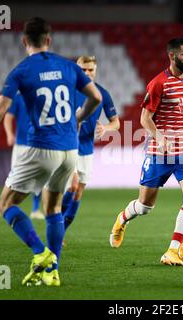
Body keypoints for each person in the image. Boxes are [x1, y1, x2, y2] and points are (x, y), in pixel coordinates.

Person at [0, 17, 102, 286]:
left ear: (24, 41)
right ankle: (53, 272)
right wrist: (78, 117)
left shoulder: (21, 70)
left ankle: (41, 254)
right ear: (49, 40)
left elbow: (0, 110)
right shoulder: (69, 66)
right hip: (70, 150)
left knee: (5, 204)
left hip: (40, 148)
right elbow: (96, 97)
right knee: (54, 209)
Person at [109, 38, 183, 266]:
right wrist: (160, 138)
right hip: (159, 154)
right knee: (144, 207)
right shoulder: (159, 83)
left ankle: (172, 251)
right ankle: (122, 218)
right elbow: (144, 118)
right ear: (172, 56)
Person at [61, 55, 120, 233]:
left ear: (95, 71)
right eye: (83, 70)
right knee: (73, 184)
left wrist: (105, 128)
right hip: (66, 147)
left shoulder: (102, 93)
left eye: (90, 70)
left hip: (87, 150)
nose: (87, 73)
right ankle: (54, 226)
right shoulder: (66, 90)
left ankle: (60, 231)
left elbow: (116, 122)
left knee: (78, 192)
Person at [0, 93, 44, 220]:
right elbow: (8, 117)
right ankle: (2, 202)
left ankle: (35, 209)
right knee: (15, 176)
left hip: (39, 144)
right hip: (22, 144)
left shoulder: (44, 94)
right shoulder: (19, 97)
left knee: (41, 177)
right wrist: (9, 134)